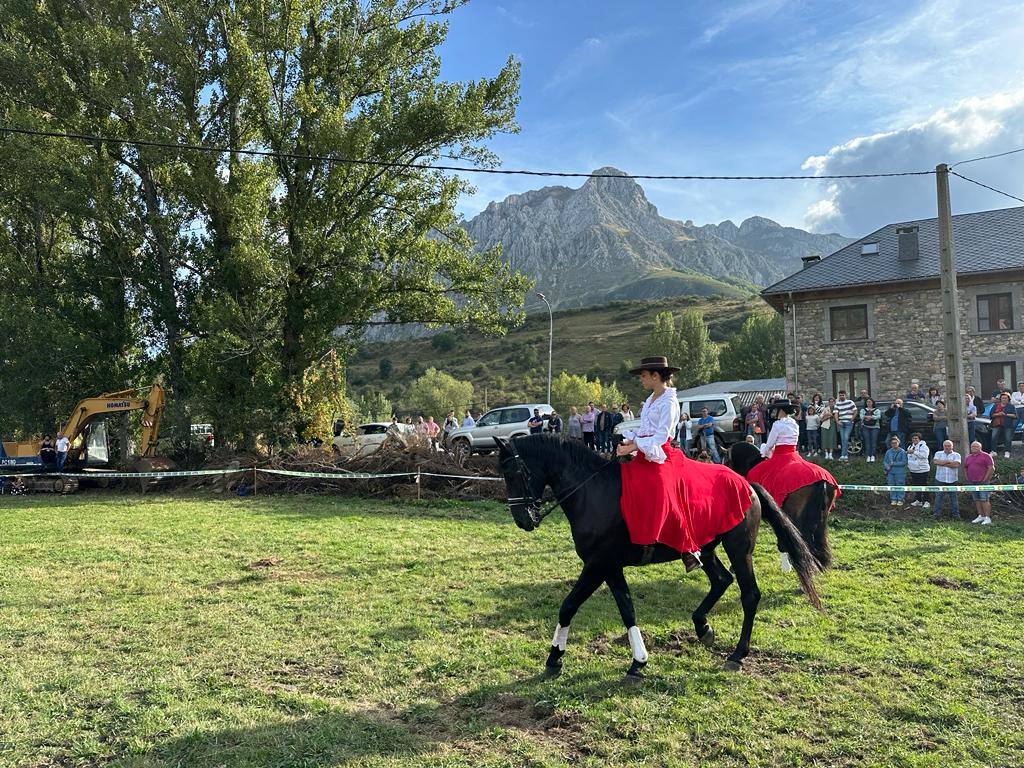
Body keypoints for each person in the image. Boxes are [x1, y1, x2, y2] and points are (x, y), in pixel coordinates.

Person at [617, 356, 751, 573]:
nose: (640, 379)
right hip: (646, 452)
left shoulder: (669, 402)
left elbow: (661, 437)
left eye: (643, 375)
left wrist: (633, 447)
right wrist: (630, 440)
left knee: (661, 487)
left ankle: (687, 546)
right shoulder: (651, 399)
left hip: (663, 454)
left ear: (655, 376)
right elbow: (645, 430)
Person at [963, 441, 995, 525]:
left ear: (980, 447)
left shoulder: (986, 456)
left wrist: (986, 478)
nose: (974, 448)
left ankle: (988, 518)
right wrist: (966, 477)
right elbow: (965, 467)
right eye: (972, 446)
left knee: (984, 499)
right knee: (977, 499)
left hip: (983, 482)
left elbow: (991, 468)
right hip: (972, 482)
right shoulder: (968, 457)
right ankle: (981, 516)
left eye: (976, 446)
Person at [932, 439, 961, 521]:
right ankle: (936, 515)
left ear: (952, 446)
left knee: (954, 498)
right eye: (945, 446)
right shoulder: (938, 453)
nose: (947, 447)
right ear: (943, 446)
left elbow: (956, 465)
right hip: (940, 479)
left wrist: (942, 463)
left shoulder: (957, 455)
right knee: (938, 497)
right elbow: (935, 462)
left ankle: (956, 515)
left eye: (949, 446)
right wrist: (948, 462)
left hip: (952, 480)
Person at [905, 432, 931, 508]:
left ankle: (926, 501)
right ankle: (918, 500)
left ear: (919, 439)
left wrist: (914, 452)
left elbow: (924, 456)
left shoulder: (924, 446)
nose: (914, 439)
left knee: (924, 485)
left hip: (923, 470)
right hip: (913, 470)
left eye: (916, 438)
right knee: (916, 485)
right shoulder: (910, 446)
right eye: (913, 438)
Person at [990, 392, 1017, 458]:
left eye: (1005, 398)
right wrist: (998, 414)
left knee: (1008, 438)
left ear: (1008, 399)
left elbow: (1015, 416)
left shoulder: (1011, 406)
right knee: (994, 437)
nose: (1004, 399)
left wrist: (1006, 414)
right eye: (1003, 398)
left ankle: (1007, 452)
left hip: (1008, 424)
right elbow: (991, 415)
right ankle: (994, 451)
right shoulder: (995, 406)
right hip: (997, 424)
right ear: (1000, 399)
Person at [883, 436, 908, 506]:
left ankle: (900, 499)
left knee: (900, 485)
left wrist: (894, 464)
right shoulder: (888, 451)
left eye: (895, 442)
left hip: (900, 472)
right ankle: (893, 499)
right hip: (890, 472)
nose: (894, 444)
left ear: (898, 443)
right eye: (892, 443)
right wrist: (887, 466)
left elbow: (904, 462)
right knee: (891, 485)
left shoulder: (902, 451)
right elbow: (885, 461)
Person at [834, 390, 857, 461]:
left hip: (848, 423)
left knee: (846, 438)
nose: (841, 396)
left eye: (842, 395)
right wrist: (837, 421)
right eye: (840, 395)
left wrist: (852, 419)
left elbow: (855, 411)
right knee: (842, 439)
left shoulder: (850, 402)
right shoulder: (837, 404)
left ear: (845, 395)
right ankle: (843, 455)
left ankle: (845, 455)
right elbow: (836, 413)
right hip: (841, 423)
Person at [860, 398, 881, 462]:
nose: (868, 403)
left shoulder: (877, 410)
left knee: (873, 442)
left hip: (875, 427)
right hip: (865, 427)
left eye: (870, 402)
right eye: (867, 402)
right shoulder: (863, 410)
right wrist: (867, 417)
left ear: (872, 403)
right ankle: (868, 456)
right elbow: (861, 416)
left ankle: (873, 455)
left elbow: (878, 416)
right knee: (867, 442)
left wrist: (871, 417)